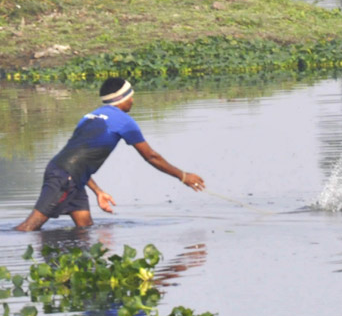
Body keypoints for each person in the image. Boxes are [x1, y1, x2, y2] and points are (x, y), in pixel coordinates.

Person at [14, 77, 205, 230]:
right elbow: (151, 156)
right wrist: (182, 176)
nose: (133, 100)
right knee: (30, 226)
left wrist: (98, 192)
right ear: (121, 99)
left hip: (68, 175)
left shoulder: (89, 116)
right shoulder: (124, 121)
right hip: (65, 178)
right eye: (130, 96)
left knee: (84, 230)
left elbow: (78, 158)